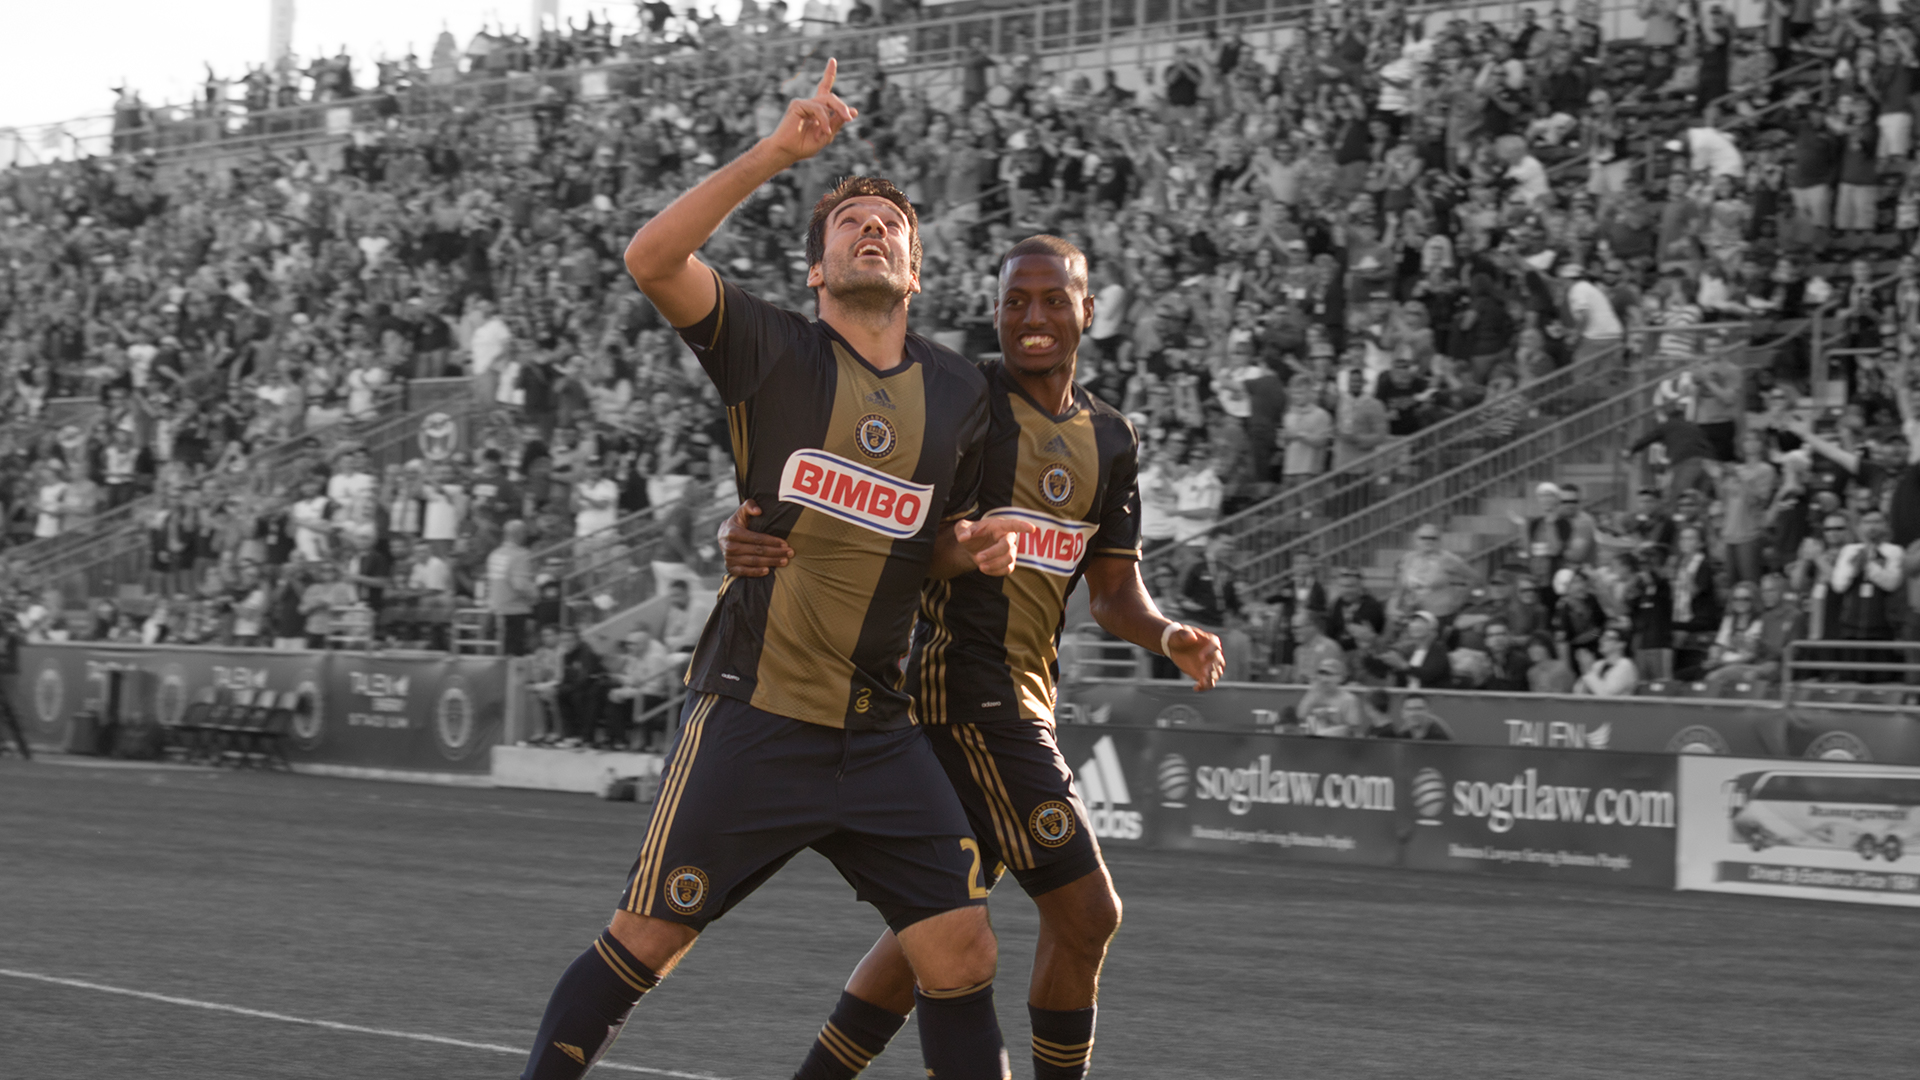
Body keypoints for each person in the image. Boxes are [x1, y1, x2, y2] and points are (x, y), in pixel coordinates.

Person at [516, 62, 1036, 1080]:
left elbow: (936, 541)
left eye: (892, 225)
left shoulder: (963, 392)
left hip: (877, 731)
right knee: (647, 940)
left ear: (917, 272)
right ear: (815, 270)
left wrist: (972, 547)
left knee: (963, 949)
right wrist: (780, 152)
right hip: (755, 713)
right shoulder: (770, 349)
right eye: (850, 222)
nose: (872, 229)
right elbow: (651, 257)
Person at [718, 233, 1225, 1080]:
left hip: (1025, 697)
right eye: (1015, 301)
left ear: (1088, 310)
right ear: (994, 312)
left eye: (1053, 299)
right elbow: (861, 480)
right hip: (963, 694)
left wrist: (1168, 634)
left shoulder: (1112, 438)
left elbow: (1111, 594)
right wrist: (741, 525)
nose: (1033, 317)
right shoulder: (960, 397)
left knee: (936, 927)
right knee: (1089, 914)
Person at [487, 519, 539, 655]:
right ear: (520, 534)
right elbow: (520, 585)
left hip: (495, 609)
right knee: (514, 656)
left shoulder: (494, 554)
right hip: (515, 611)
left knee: (498, 655)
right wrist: (535, 595)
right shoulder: (521, 555)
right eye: (525, 533)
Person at [1295, 657, 1364, 735]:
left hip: (1337, 740)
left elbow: (1353, 728)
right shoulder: (1313, 695)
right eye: (1321, 674)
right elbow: (1301, 716)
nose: (1324, 679)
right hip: (1313, 738)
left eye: (1329, 674)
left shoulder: (1349, 699)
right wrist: (1312, 692)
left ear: (1340, 678)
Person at [1575, 625, 1638, 695]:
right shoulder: (1598, 664)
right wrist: (1584, 667)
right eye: (1602, 638)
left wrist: (1587, 670)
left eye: (1608, 638)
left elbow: (1606, 695)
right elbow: (1578, 692)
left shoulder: (1625, 665)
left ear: (1621, 644)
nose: (1601, 641)